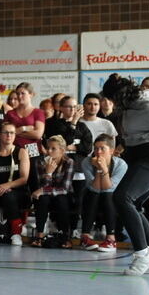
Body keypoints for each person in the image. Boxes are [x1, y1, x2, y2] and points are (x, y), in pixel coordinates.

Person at [100, 74, 149, 275]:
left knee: (122, 197)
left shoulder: (148, 104)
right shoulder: (128, 106)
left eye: (112, 99)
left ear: (120, 96)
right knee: (135, 204)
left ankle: (142, 253)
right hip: (136, 154)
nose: (110, 103)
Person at [44, 95, 92, 230]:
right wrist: (73, 123)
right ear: (61, 108)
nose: (73, 109)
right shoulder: (54, 125)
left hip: (78, 170)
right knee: (61, 200)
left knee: (78, 201)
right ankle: (59, 227)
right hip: (59, 170)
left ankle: (75, 228)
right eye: (69, 106)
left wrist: (73, 147)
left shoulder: (82, 127)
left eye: (75, 106)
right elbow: (66, 141)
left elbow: (88, 148)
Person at [80, 134, 127, 253]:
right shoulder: (87, 161)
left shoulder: (121, 164)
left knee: (107, 195)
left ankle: (111, 239)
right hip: (93, 197)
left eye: (102, 148)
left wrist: (103, 169)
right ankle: (85, 237)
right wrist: (99, 169)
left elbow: (108, 188)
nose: (98, 152)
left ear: (111, 151)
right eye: (95, 148)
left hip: (112, 199)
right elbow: (95, 188)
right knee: (93, 194)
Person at [29, 135, 74, 248]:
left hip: (63, 194)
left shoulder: (69, 162)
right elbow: (41, 185)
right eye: (48, 148)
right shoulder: (40, 162)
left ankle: (65, 236)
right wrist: (48, 173)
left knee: (61, 201)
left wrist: (43, 190)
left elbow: (64, 188)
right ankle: (39, 235)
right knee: (42, 199)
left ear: (62, 150)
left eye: (53, 148)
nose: (49, 151)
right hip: (47, 194)